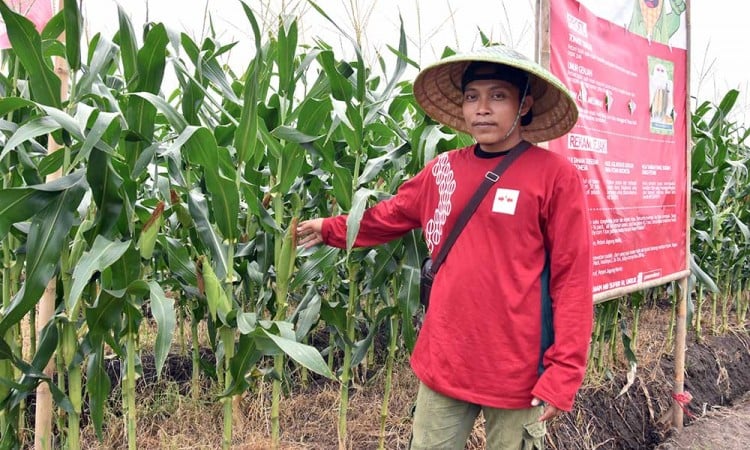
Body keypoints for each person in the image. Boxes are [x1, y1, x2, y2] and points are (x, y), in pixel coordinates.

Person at [297, 45, 593, 449]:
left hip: (517, 372)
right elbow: (391, 215)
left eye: (498, 96)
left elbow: (572, 280)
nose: (482, 109)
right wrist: (332, 229)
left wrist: (564, 372)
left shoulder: (556, 178)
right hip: (446, 361)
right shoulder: (444, 170)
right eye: (473, 97)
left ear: (525, 104)